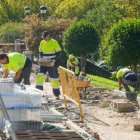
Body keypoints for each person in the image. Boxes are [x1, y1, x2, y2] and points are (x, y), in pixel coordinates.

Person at [38, 31, 61, 99]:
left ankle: (57, 94)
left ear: (48, 36)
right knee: (40, 77)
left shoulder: (54, 42)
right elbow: (40, 52)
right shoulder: (42, 42)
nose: (44, 39)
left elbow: (59, 53)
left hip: (51, 64)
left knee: (54, 79)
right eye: (43, 37)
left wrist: (54, 60)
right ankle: (38, 93)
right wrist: (40, 58)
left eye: (45, 37)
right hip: (43, 63)